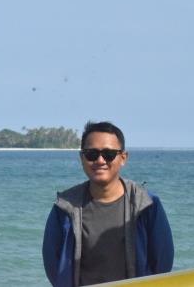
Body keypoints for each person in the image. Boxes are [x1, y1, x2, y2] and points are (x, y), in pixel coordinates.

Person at [42, 121, 174, 287]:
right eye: (91, 154)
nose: (100, 160)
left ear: (123, 158)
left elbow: (162, 262)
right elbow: (53, 264)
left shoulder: (147, 205)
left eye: (109, 154)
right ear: (82, 157)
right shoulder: (65, 207)